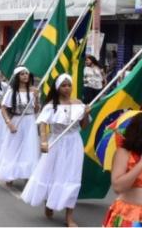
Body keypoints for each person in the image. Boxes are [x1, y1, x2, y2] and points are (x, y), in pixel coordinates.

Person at [21, 74, 90, 227]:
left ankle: (69, 216)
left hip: (74, 143)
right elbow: (43, 124)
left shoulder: (79, 104)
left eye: (69, 85)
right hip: (56, 142)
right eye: (63, 85)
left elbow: (84, 126)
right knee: (53, 173)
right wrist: (44, 141)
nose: (67, 88)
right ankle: (49, 202)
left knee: (72, 177)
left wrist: (86, 114)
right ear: (57, 88)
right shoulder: (51, 105)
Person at [0, 66, 40, 185]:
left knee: (29, 148)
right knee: (13, 148)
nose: (25, 76)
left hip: (30, 122)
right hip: (17, 121)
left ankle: (27, 173)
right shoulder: (11, 92)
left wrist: (37, 98)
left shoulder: (33, 91)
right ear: (17, 77)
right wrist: (9, 123)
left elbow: (36, 110)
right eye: (22, 74)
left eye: (26, 73)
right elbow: (3, 108)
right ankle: (9, 174)